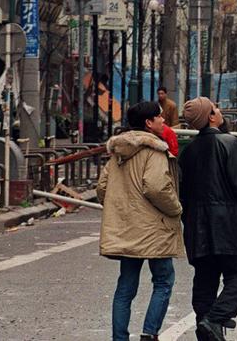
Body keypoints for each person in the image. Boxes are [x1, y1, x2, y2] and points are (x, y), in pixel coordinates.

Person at [97, 101, 184, 341]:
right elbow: (156, 188)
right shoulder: (154, 151)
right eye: (159, 117)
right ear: (148, 123)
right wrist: (176, 209)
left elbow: (102, 188)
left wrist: (122, 207)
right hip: (155, 228)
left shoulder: (117, 153)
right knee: (164, 280)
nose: (163, 120)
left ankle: (119, 338)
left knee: (125, 287)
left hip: (127, 227)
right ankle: (149, 333)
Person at [178, 97, 237, 341]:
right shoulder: (230, 143)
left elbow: (183, 193)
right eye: (215, 108)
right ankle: (214, 320)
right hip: (228, 224)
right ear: (211, 116)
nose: (220, 110)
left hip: (196, 226)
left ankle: (206, 328)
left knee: (205, 277)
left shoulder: (188, 151)